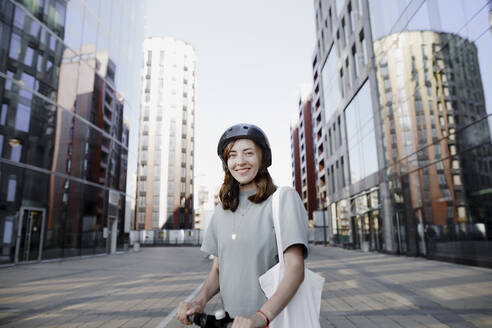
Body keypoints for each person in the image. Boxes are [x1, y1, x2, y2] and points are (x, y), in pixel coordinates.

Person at [176, 123, 308, 328]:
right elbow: (218, 270)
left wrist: (261, 317)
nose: (240, 162)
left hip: (272, 321)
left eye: (248, 153)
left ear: (263, 158)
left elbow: (295, 268)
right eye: (232, 155)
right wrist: (199, 301)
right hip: (232, 323)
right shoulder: (222, 211)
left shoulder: (283, 199)